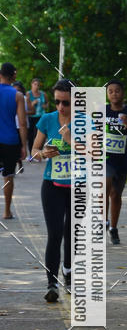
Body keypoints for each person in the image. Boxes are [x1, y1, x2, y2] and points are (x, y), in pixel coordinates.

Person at [31, 79, 74, 302]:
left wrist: (69, 139)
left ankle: (68, 271)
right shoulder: (47, 120)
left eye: (65, 103)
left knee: (71, 233)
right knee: (55, 233)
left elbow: (93, 153)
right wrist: (41, 154)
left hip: (77, 185)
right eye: (57, 102)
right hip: (52, 185)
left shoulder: (84, 122)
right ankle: (51, 284)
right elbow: (34, 149)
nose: (61, 107)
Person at [105, 79, 127, 244]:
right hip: (104, 158)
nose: (114, 94)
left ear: (123, 93)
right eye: (110, 91)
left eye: (117, 91)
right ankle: (102, 222)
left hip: (122, 160)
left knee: (116, 195)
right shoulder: (102, 111)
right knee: (105, 188)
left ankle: (113, 227)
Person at [0, 62, 27, 219]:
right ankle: (6, 211)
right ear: (14, 75)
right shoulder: (18, 96)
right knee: (8, 175)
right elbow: (22, 123)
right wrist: (24, 145)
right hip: (10, 140)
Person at [26, 77, 47, 155]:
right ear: (31, 85)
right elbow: (26, 106)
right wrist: (32, 104)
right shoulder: (28, 94)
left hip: (40, 116)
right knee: (30, 135)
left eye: (38, 85)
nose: (36, 86)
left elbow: (47, 103)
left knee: (39, 135)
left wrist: (45, 106)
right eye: (35, 84)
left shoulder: (43, 94)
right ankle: (31, 153)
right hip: (31, 117)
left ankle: (38, 153)